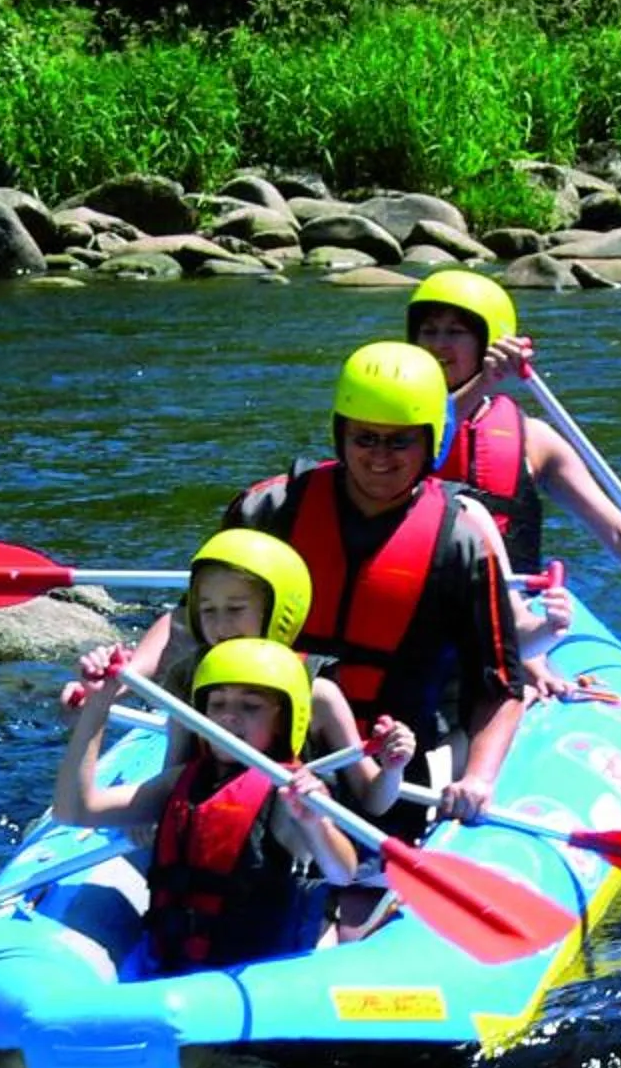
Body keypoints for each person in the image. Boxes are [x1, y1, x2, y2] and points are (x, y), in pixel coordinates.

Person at [225, 339, 525, 825]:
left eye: (399, 440)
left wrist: (479, 779)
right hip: (271, 748)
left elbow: (500, 687)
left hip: (396, 765)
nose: (380, 457)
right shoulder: (270, 509)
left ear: (432, 440)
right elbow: (193, 625)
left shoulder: (460, 545)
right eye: (365, 438)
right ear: (341, 435)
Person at [404, 268, 621, 645]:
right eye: (429, 331)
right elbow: (429, 439)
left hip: (505, 615)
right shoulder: (386, 431)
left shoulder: (536, 440)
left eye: (455, 332)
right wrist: (482, 382)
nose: (438, 345)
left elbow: (618, 532)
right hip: (415, 609)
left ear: (488, 343)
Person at [52, 637, 360, 972]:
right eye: (217, 704)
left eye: (251, 706)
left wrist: (317, 824)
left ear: (284, 719)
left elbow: (342, 873)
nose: (228, 717)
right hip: (173, 968)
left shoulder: (290, 794)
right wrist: (100, 703)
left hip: (255, 981)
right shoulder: (180, 782)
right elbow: (75, 810)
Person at [67, 526, 415, 818]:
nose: (220, 624)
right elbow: (173, 773)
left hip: (299, 852)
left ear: (280, 612)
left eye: (235, 608)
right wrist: (99, 701)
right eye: (208, 609)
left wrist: (393, 768)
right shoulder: (191, 683)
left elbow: (373, 800)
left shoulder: (317, 694)